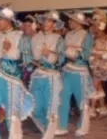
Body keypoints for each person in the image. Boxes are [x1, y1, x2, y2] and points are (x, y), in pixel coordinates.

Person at [0, 7, 34, 139]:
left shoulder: (21, 37)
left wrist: (12, 51)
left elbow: (28, 62)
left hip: (13, 80)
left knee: (12, 117)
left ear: (9, 21)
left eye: (0, 20)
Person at [56, 11, 94, 136]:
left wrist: (74, 54)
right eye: (70, 20)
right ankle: (62, 126)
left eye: (72, 20)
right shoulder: (67, 35)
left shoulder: (86, 36)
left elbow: (87, 55)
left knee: (82, 101)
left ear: (78, 22)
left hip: (80, 73)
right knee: (63, 99)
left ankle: (83, 127)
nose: (69, 22)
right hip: (67, 71)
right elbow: (63, 52)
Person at [29, 11, 65, 139]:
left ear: (54, 24)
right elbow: (30, 56)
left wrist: (49, 54)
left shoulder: (59, 39)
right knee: (35, 109)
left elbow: (61, 60)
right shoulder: (35, 38)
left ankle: (48, 135)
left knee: (51, 109)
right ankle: (47, 131)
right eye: (44, 20)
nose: (46, 23)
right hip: (38, 75)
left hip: (52, 76)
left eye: (49, 21)